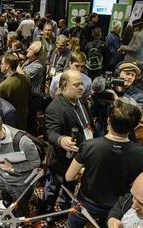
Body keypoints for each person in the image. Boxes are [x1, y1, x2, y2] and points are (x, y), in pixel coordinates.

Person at [65, 97, 143, 228]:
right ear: (134, 126)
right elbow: (136, 183)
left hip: (85, 203)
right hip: (115, 208)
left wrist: (85, 171)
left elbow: (69, 177)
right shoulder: (141, 152)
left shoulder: (89, 145)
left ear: (108, 120)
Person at [40, 69, 93, 214]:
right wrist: (61, 139)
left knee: (71, 184)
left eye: (81, 84)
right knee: (52, 188)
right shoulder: (55, 107)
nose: (81, 87)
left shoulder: (81, 100)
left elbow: (87, 124)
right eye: (76, 85)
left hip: (79, 155)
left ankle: (64, 206)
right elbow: (50, 132)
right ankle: (47, 211)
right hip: (61, 158)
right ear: (64, 86)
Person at [0, 111, 40, 216]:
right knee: (6, 202)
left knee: (21, 209)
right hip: (2, 179)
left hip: (20, 184)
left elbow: (36, 163)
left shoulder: (23, 142)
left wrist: (12, 167)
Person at [0, 53, 31, 131]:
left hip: (10, 124)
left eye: (2, 64)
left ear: (7, 66)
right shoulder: (26, 78)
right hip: (24, 118)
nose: (0, 66)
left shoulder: (3, 86)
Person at [19, 41, 44, 135]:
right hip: (27, 96)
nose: (27, 50)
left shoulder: (38, 66)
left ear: (35, 53)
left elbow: (22, 76)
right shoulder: (28, 61)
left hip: (33, 98)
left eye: (30, 49)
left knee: (31, 122)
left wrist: (15, 64)